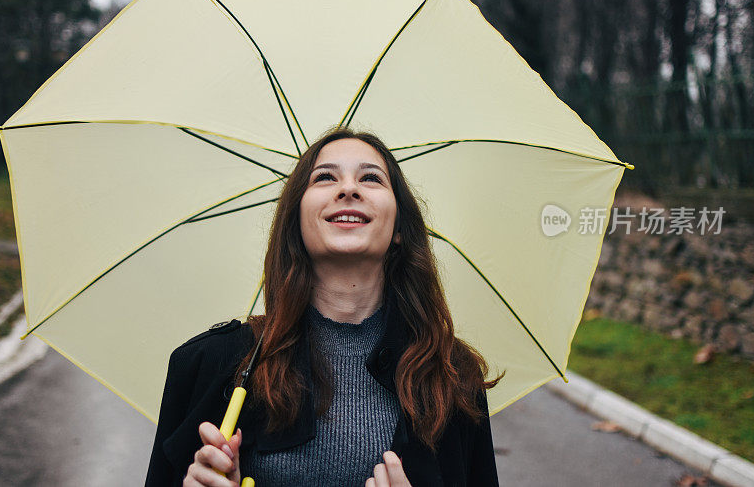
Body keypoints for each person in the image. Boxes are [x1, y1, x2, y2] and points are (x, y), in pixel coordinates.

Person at [145, 127, 504, 486]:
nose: (348, 189)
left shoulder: (453, 376)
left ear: (398, 228)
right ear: (297, 222)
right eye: (325, 177)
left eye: (371, 178)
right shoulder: (212, 364)